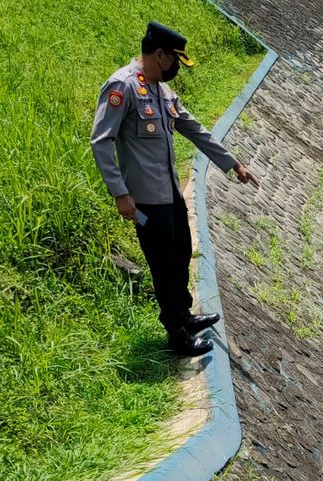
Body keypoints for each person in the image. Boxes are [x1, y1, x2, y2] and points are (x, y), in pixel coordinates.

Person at [90, 21, 260, 357]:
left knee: (181, 253)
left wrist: (233, 164)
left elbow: (195, 130)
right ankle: (176, 335)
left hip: (169, 194)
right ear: (159, 54)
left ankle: (184, 315)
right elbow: (101, 140)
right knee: (163, 264)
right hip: (145, 201)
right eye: (174, 61)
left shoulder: (161, 90)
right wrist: (120, 193)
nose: (176, 69)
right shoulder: (122, 86)